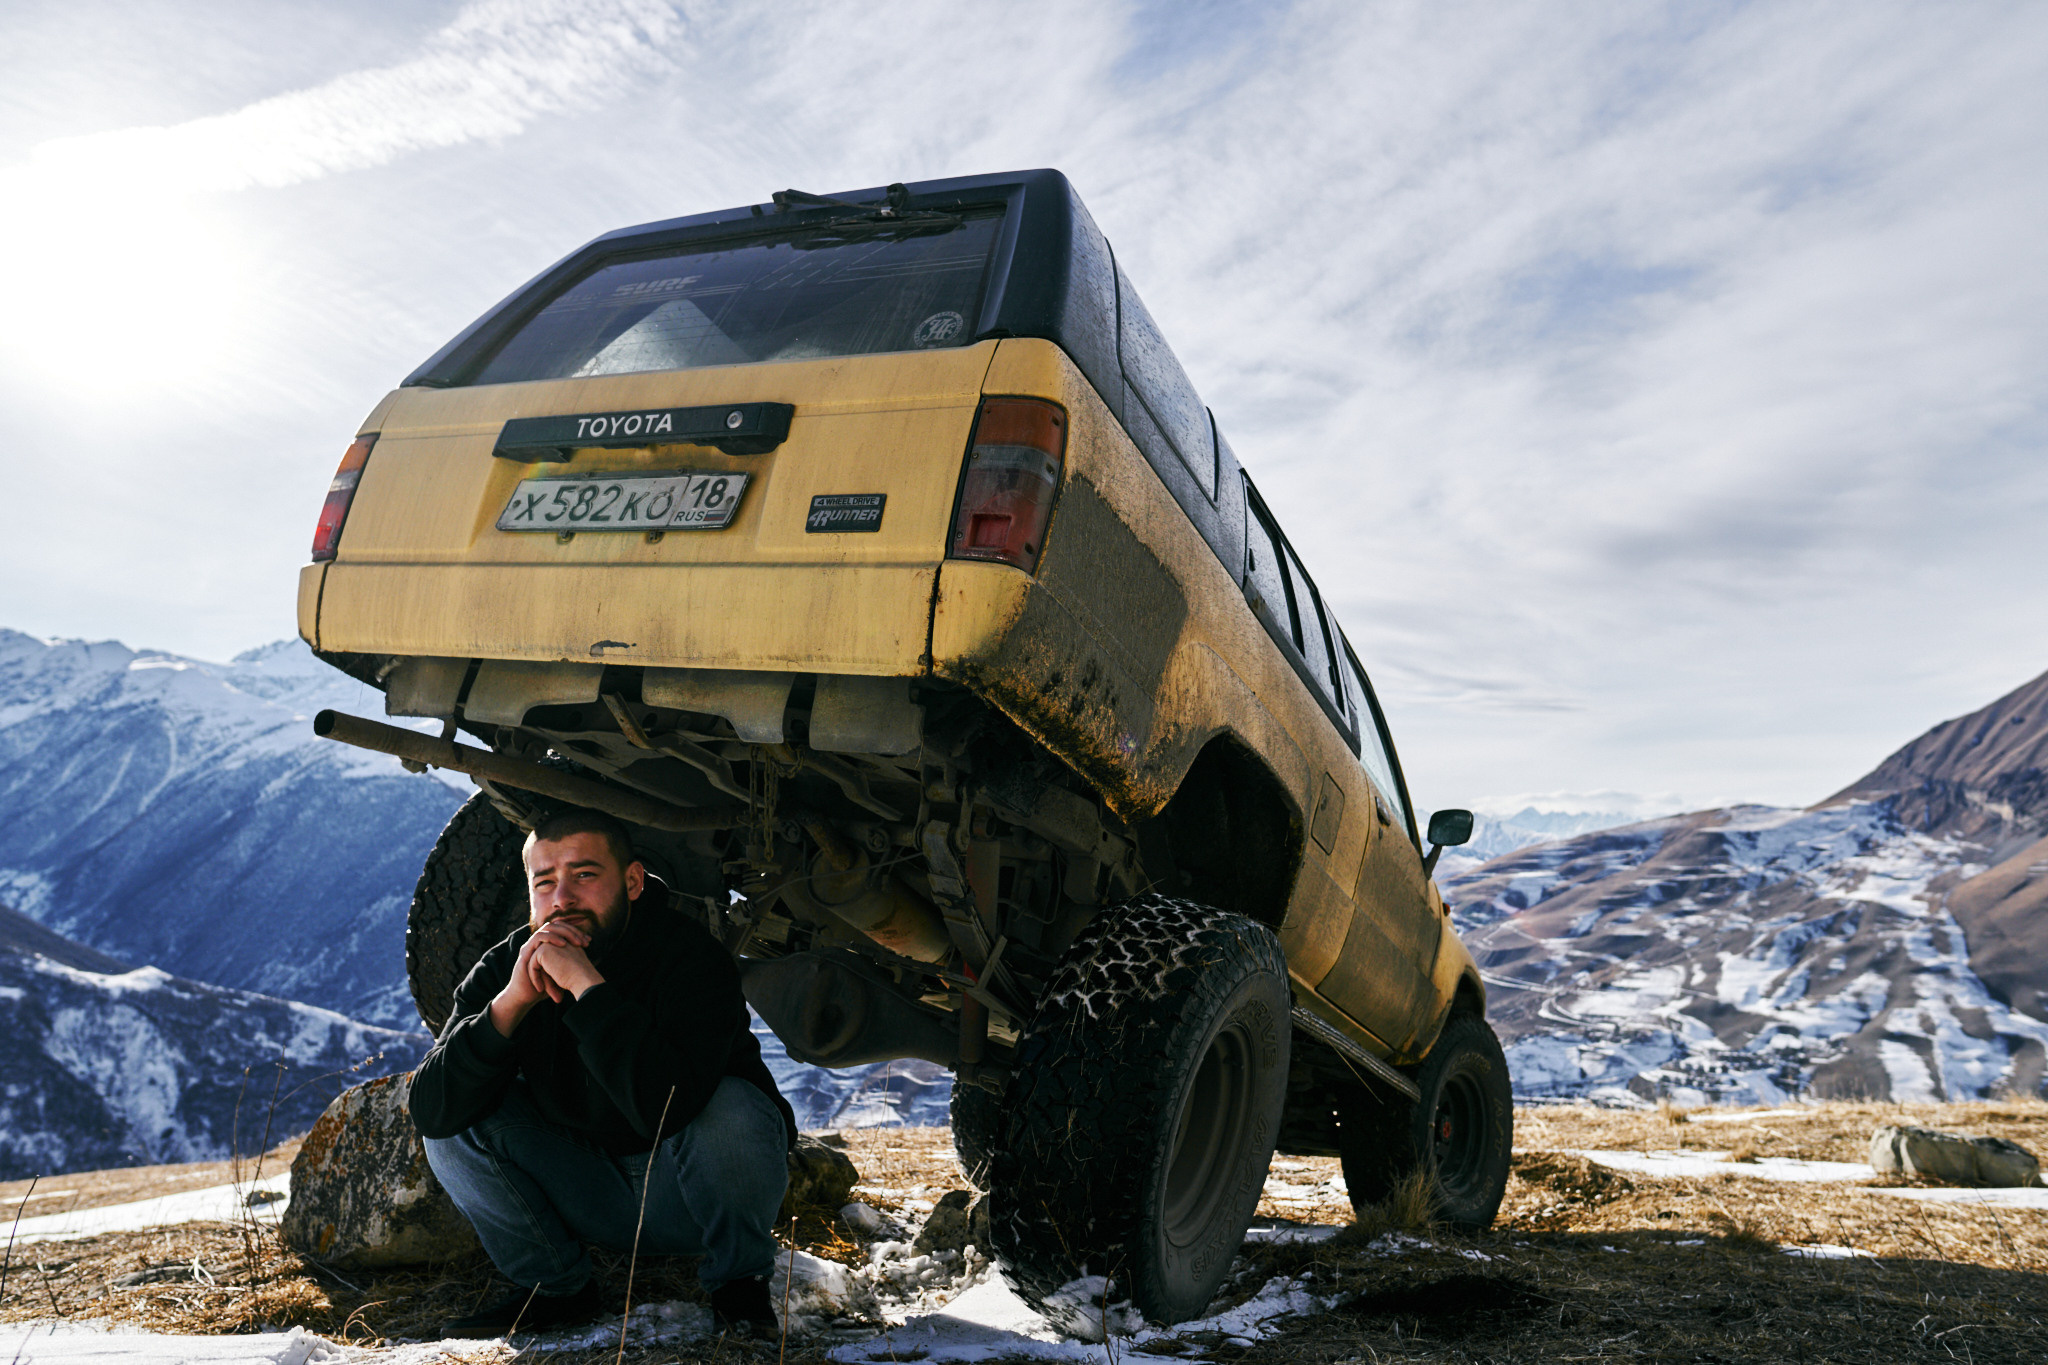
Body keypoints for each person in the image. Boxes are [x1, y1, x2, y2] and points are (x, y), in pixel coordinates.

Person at [409, 806, 796, 1338]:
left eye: (584, 875)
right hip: (587, 1192)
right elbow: (431, 1111)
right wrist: (510, 1005)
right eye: (544, 883)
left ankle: (739, 1288)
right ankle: (555, 1290)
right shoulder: (506, 968)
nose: (562, 899)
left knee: (732, 1104)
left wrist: (589, 991)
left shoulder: (691, 958)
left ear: (633, 882)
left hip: (692, 1194)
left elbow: (666, 1107)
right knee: (457, 1121)